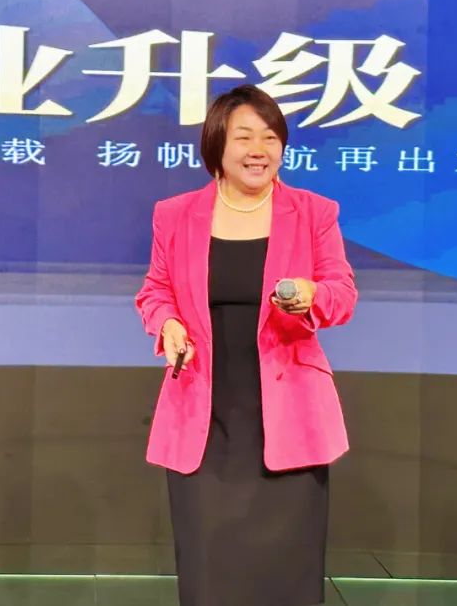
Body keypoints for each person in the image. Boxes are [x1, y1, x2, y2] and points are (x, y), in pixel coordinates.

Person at [135, 84, 358, 606]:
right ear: (217, 143)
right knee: (209, 569)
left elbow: (342, 294)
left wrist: (312, 295)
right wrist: (167, 324)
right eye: (245, 137)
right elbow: (155, 291)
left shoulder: (313, 212)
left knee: (287, 575)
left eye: (271, 137)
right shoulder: (175, 214)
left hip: (289, 413)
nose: (260, 149)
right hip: (204, 415)